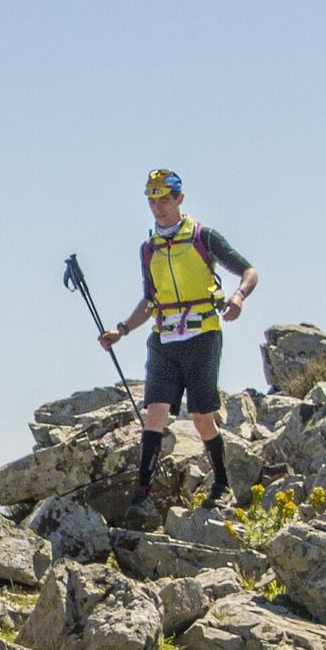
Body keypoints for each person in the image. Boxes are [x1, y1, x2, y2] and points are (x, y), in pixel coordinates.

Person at [97, 169, 259, 508]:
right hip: (163, 339)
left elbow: (249, 270)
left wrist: (239, 297)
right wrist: (121, 330)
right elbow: (150, 300)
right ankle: (142, 494)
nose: (158, 207)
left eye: (164, 200)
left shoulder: (203, 237)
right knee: (155, 413)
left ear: (179, 199)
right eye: (152, 201)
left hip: (202, 336)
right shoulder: (148, 249)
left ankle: (221, 484)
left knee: (201, 417)